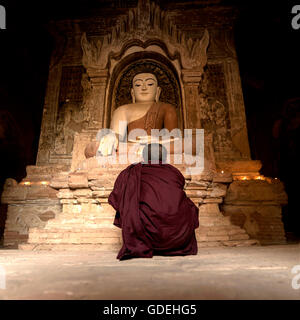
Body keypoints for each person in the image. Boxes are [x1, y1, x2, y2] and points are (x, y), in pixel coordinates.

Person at [108, 143, 199, 260]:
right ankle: (172, 241)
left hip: (142, 231)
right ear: (164, 157)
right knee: (188, 205)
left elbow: (117, 198)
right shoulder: (173, 172)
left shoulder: (132, 172)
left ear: (144, 156)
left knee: (129, 202)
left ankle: (143, 237)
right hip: (177, 235)